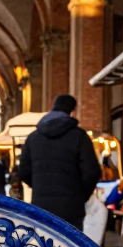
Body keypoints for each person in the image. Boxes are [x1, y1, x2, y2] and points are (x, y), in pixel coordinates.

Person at [19, 94, 101, 230]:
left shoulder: (33, 138)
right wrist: (80, 195)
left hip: (41, 205)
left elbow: (23, 171)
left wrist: (41, 186)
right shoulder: (79, 136)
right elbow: (92, 172)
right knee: (70, 246)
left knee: (44, 245)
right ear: (72, 112)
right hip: (71, 208)